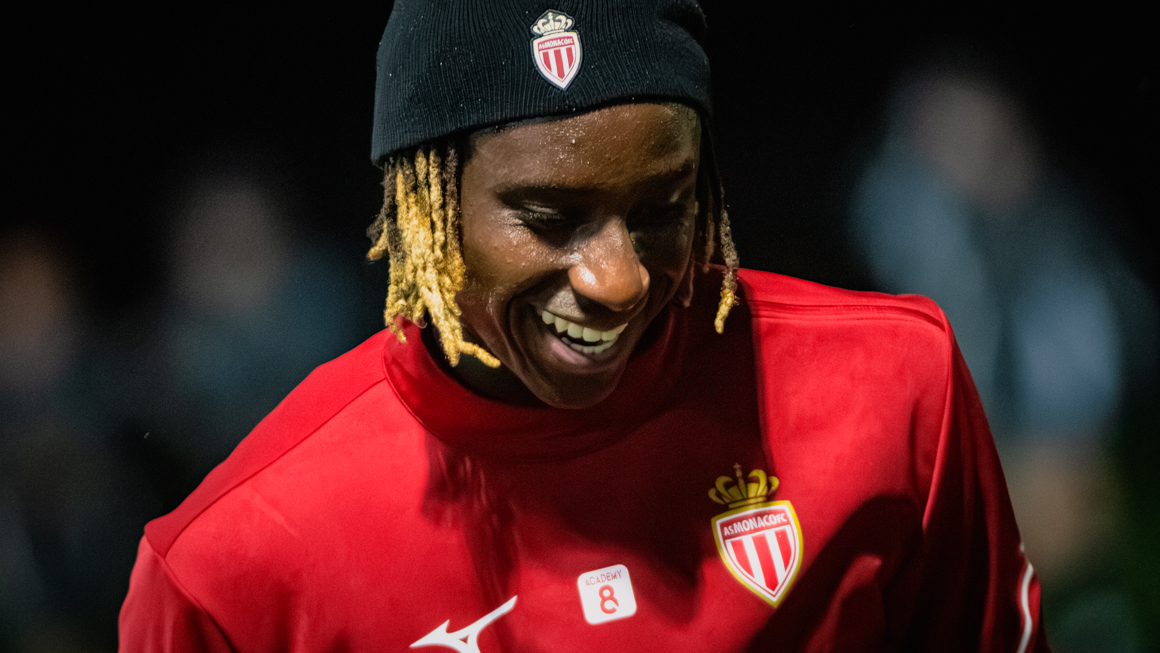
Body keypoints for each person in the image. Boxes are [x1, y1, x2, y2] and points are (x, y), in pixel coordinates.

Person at [119, 1, 1049, 651]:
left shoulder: (894, 385)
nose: (620, 279)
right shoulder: (229, 571)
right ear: (423, 206)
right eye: (549, 218)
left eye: (662, 206)